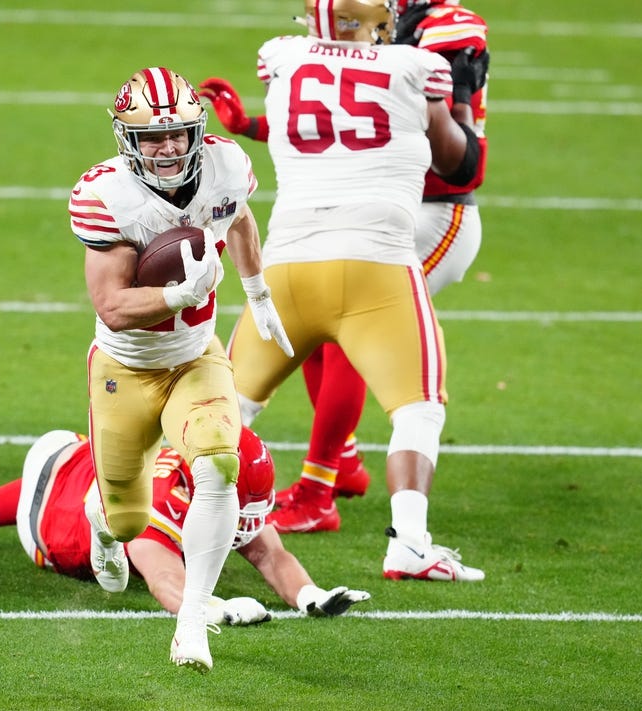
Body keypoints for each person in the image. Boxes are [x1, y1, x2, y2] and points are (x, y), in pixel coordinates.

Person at [210, 0, 488, 582]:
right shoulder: (415, 66)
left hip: (288, 264)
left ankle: (152, 516)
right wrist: (452, 105)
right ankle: (409, 542)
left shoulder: (280, 58)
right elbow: (461, 166)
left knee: (220, 408)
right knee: (419, 405)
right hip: (377, 261)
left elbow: (320, 120)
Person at [67, 66, 294, 673]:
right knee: (126, 518)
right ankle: (99, 519)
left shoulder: (224, 166)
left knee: (220, 465)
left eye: (179, 134)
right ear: (127, 140)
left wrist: (259, 292)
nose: (168, 148)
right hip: (126, 368)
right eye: (152, 138)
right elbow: (111, 308)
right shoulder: (106, 196)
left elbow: (239, 217)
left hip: (196, 356)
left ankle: (192, 623)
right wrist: (177, 296)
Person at [0, 427, 371, 625]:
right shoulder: (158, 506)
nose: (248, 521)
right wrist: (215, 611)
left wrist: (310, 595)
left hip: (85, 465)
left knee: (98, 454)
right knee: (62, 474)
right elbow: (165, 580)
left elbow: (269, 553)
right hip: (52, 532)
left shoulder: (208, 466)